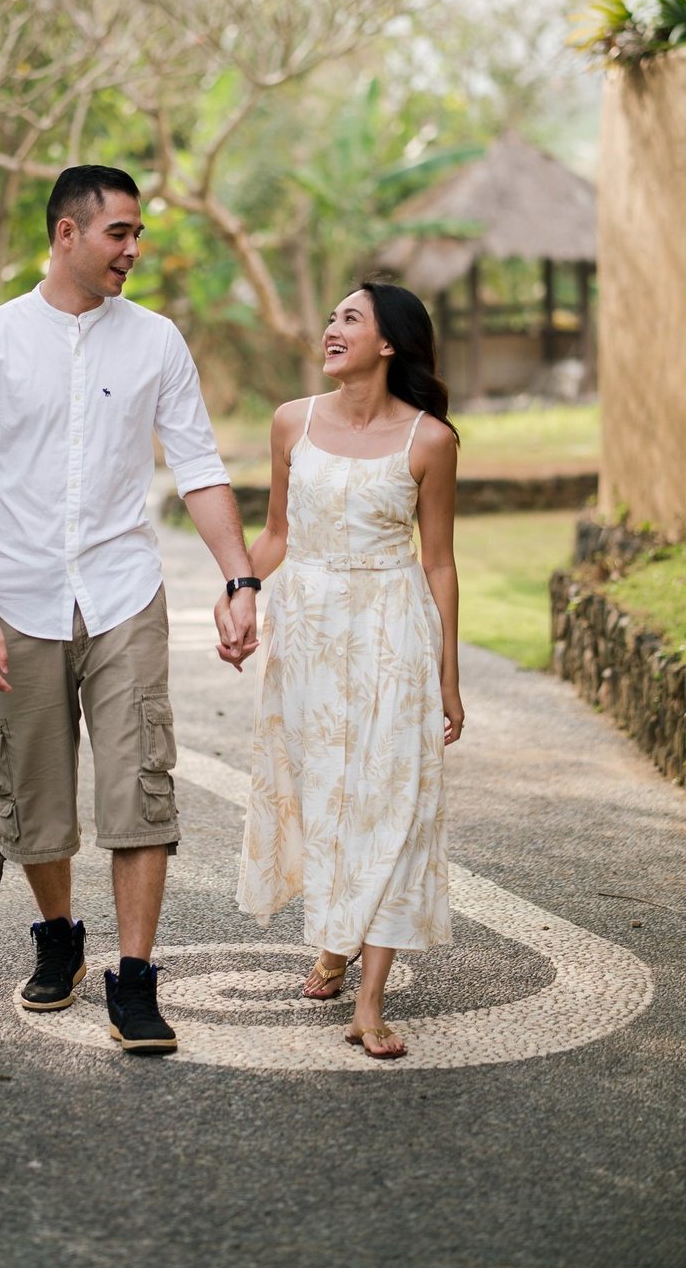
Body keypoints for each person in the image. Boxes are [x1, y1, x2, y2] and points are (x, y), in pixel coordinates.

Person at [0, 164, 259, 1056]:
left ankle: (136, 979)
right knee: (34, 791)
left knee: (138, 784)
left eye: (138, 232)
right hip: (19, 598)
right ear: (67, 233)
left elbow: (198, 465)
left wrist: (239, 578)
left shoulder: (156, 341)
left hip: (123, 595)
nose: (134, 249)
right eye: (120, 232)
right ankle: (59, 937)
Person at [230, 281, 463, 1060]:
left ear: (389, 342)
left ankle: (369, 1000)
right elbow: (274, 536)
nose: (331, 327)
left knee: (392, 802)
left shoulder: (428, 441)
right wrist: (236, 595)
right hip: (309, 632)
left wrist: (448, 676)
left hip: (391, 630)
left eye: (350, 319)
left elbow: (438, 564)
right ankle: (335, 936)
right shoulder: (292, 422)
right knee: (326, 795)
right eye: (330, 316)